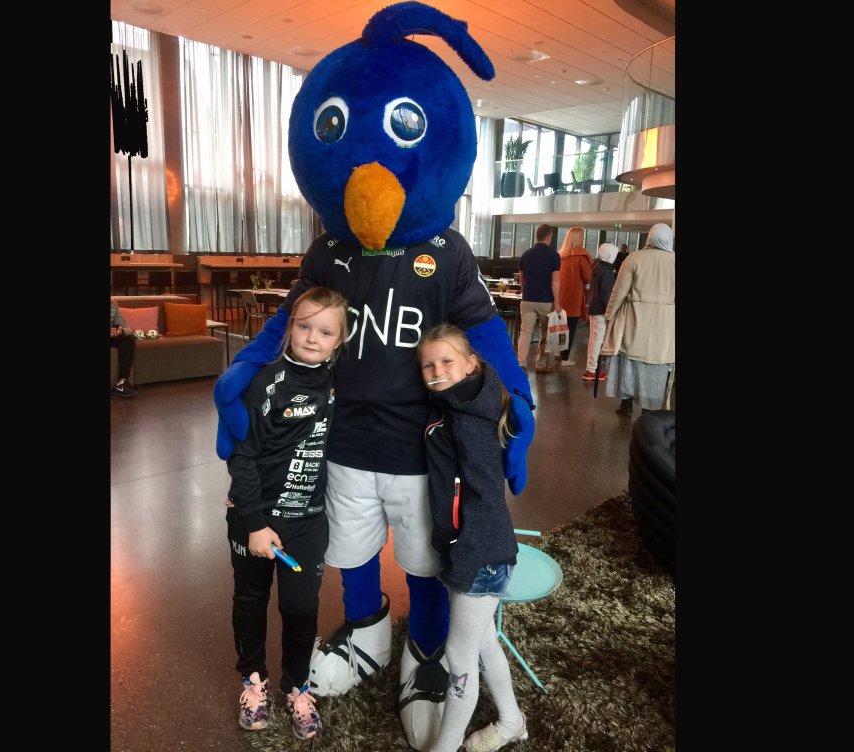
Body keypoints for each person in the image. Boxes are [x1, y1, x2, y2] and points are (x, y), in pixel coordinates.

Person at [213, 7, 536, 750]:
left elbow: (485, 333)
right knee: (351, 551)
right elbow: (294, 319)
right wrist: (245, 367)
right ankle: (367, 633)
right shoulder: (328, 251)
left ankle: (425, 651)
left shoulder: (447, 253)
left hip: (421, 449)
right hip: (342, 442)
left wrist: (515, 402)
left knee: (425, 558)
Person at [227, 287, 350, 741]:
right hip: (254, 520)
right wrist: (255, 523)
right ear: (289, 327)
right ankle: (252, 681)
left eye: (326, 331)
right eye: (304, 326)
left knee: (300, 608)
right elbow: (242, 457)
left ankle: (297, 687)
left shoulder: (339, 381)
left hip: (307, 522)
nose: (313, 337)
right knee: (250, 600)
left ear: (340, 340)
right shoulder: (266, 382)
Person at [417, 324, 528, 752]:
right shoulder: (454, 405)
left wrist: (465, 557)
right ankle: (512, 721)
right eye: (428, 365)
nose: (437, 371)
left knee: (459, 659)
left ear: (470, 364)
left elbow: (484, 498)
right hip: (469, 549)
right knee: (483, 642)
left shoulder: (471, 423)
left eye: (446, 361)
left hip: (480, 555)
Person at [601, 223, 675, 416]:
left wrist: (609, 315)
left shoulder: (634, 258)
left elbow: (618, 292)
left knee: (630, 363)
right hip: (664, 325)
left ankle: (626, 404)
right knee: (655, 366)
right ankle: (649, 410)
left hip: (634, 321)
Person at [517, 224, 562, 372]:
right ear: (549, 237)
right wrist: (557, 302)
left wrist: (524, 294)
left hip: (528, 299)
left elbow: (522, 278)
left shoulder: (526, 254)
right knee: (545, 332)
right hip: (546, 301)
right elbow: (555, 281)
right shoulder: (554, 256)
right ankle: (541, 364)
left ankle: (521, 364)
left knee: (525, 332)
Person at [556, 226, 592, 366]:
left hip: (560, 296)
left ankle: (559, 352)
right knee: (570, 328)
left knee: (561, 327)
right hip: (574, 297)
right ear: (579, 238)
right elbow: (588, 277)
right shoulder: (581, 257)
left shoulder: (561, 256)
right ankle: (565, 358)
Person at [583, 242, 619, 381]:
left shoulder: (597, 267)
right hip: (600, 309)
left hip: (594, 307)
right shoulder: (606, 271)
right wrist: (609, 312)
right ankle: (591, 370)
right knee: (597, 340)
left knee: (594, 339)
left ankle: (590, 368)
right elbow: (606, 294)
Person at [110, 300, 137, 398]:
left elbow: (128, 328)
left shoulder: (112, 305)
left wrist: (120, 332)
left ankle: (121, 383)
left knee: (128, 338)